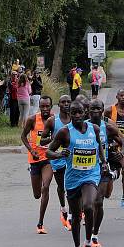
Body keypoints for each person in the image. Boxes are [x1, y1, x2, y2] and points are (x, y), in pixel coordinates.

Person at [46, 100, 109, 247]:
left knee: (89, 206)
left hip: (90, 175)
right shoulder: (64, 133)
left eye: (80, 112)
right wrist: (59, 153)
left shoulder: (94, 130)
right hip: (73, 178)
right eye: (73, 113)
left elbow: (99, 147)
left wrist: (103, 162)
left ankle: (88, 242)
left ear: (85, 112)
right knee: (75, 218)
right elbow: (48, 152)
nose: (76, 116)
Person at [88, 99, 124, 247]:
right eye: (93, 109)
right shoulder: (82, 126)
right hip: (87, 169)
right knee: (88, 204)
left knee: (98, 201)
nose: (96, 111)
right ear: (88, 111)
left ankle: (94, 234)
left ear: (103, 110)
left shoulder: (108, 127)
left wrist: (121, 153)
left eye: (98, 109)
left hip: (103, 168)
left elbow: (123, 141)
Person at [20, 96, 54, 233]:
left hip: (48, 159)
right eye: (43, 106)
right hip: (35, 159)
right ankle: (33, 172)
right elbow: (23, 136)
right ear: (39, 106)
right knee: (37, 195)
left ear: (51, 106)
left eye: (47, 106)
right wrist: (31, 150)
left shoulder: (54, 120)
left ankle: (40, 223)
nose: (45, 109)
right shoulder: (32, 119)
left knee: (45, 187)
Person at [42, 94, 73, 230]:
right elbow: (42, 140)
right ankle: (63, 208)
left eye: (68, 102)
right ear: (58, 105)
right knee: (62, 187)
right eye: (63, 102)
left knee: (72, 186)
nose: (66, 104)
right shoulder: (52, 121)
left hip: (72, 158)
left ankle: (73, 214)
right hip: (57, 158)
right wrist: (52, 139)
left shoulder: (75, 119)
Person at [105, 89, 124, 207]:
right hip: (111, 144)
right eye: (121, 95)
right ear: (116, 96)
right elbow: (103, 124)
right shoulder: (109, 110)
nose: (123, 98)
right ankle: (112, 175)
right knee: (108, 170)